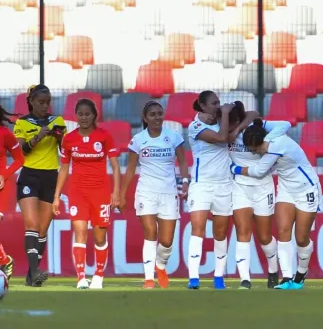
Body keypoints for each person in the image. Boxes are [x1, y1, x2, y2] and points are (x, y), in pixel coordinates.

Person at [230, 119, 321, 290]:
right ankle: (286, 277)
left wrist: (235, 169)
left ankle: (300, 275)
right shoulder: (273, 135)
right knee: (283, 231)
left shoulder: (274, 148)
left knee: (301, 238)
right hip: (286, 189)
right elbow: (285, 124)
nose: (256, 153)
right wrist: (260, 123)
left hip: (306, 188)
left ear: (261, 143)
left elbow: (258, 171)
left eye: (256, 150)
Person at [187, 90, 257, 290]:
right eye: (214, 103)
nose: (218, 106)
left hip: (224, 185)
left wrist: (239, 122)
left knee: (220, 232)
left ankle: (219, 276)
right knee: (197, 229)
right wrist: (227, 116)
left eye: (219, 103)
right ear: (202, 105)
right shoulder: (195, 126)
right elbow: (221, 138)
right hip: (201, 185)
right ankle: (194, 278)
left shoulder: (221, 121)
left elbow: (244, 123)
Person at [119, 101, 189, 289]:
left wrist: (185, 181)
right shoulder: (138, 140)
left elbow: (182, 161)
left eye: (160, 113)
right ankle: (149, 278)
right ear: (145, 118)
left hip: (168, 192)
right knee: (150, 233)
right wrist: (122, 194)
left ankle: (160, 265)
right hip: (146, 192)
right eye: (153, 114)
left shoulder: (173, 137)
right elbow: (131, 169)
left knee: (166, 241)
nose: (157, 117)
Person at [52, 99, 120, 290]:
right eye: (80, 114)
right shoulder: (69, 139)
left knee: (99, 237)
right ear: (76, 116)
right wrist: (57, 196)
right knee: (80, 232)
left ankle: (98, 275)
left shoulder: (104, 136)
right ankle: (81, 278)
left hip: (100, 192)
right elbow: (64, 168)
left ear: (94, 115)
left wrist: (116, 192)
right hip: (78, 192)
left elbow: (115, 166)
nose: (84, 118)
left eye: (87, 114)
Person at [227, 102, 291, 289]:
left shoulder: (257, 129)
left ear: (239, 121)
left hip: (263, 188)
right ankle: (245, 280)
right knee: (243, 232)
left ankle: (273, 270)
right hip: (240, 187)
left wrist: (265, 137)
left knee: (264, 237)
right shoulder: (224, 134)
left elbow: (283, 124)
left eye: (232, 123)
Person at [14, 84, 66, 286]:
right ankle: (35, 272)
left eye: (48, 102)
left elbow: (65, 150)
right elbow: (19, 151)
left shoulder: (58, 121)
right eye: (41, 102)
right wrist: (38, 136)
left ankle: (31, 275)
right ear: (32, 102)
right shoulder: (22, 122)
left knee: (42, 230)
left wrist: (60, 138)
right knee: (32, 225)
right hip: (29, 176)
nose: (46, 106)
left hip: (50, 177)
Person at [0, 105, 24, 279]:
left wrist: (4, 175)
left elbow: (19, 159)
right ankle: (4, 259)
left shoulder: (5, 134)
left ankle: (4, 261)